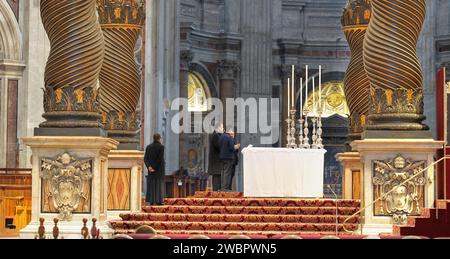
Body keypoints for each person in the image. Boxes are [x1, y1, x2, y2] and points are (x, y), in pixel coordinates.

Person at [144, 133, 166, 205]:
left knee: (151, 185)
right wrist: (155, 167)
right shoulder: (161, 147)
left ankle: (151, 201)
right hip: (159, 169)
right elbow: (160, 159)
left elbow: (145, 158)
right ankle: (159, 201)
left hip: (150, 169)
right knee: (159, 185)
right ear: (159, 138)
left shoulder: (148, 147)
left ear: (153, 138)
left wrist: (149, 167)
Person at [219, 127, 240, 192]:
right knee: (227, 173)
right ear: (230, 131)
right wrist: (236, 147)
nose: (233, 133)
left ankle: (223, 187)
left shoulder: (221, 137)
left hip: (222, 157)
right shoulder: (229, 137)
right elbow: (231, 148)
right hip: (228, 157)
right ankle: (225, 188)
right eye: (232, 131)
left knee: (223, 172)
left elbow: (220, 146)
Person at [208, 124, 223, 191]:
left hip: (215, 161)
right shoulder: (216, 136)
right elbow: (219, 147)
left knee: (217, 177)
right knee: (217, 178)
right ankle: (216, 193)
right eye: (222, 127)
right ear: (217, 128)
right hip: (216, 161)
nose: (223, 129)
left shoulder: (215, 135)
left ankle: (217, 192)